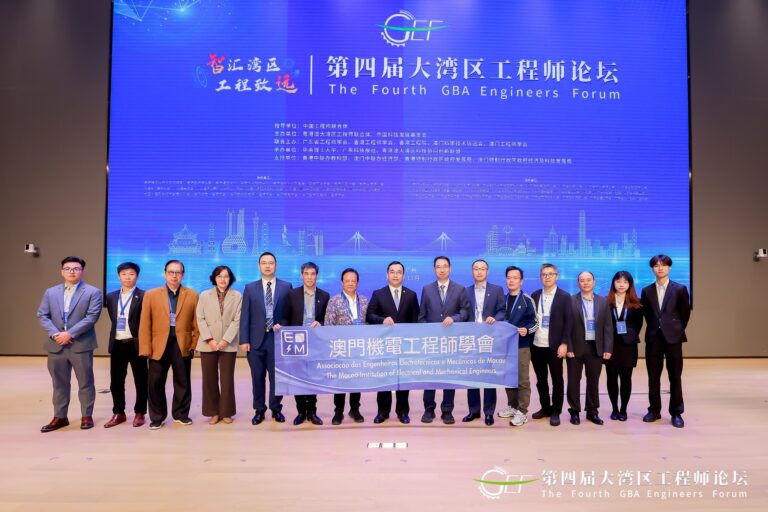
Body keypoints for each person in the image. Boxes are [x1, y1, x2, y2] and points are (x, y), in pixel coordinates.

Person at [37, 256, 102, 432]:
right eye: (68, 268)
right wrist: (55, 334)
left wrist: (70, 334)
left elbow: (91, 317)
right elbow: (43, 315)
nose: (71, 271)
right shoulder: (51, 292)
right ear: (62, 271)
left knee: (85, 382)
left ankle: (86, 416)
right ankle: (60, 417)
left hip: (80, 344)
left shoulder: (92, 292)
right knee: (59, 383)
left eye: (76, 268)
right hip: (56, 345)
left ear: (82, 271)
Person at [139, 260, 200, 430]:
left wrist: (194, 344)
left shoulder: (192, 295)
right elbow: (145, 323)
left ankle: (181, 414)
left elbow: (197, 323)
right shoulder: (151, 294)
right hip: (158, 345)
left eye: (178, 272)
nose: (174, 276)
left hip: (182, 345)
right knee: (155, 382)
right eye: (171, 272)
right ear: (164, 273)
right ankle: (157, 417)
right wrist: (145, 347)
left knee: (183, 381)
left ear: (183, 275)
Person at [240, 252, 292, 425]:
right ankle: (259, 409)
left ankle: (276, 409)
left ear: (276, 265)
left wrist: (283, 324)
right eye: (264, 263)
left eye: (271, 263)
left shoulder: (286, 287)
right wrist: (244, 340)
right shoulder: (250, 288)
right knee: (257, 377)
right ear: (259, 266)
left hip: (277, 340)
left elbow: (289, 314)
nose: (267, 266)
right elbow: (245, 315)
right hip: (256, 341)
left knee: (277, 378)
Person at [640, 254, 691, 428]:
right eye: (656, 265)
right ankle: (654, 410)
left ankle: (676, 412)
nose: (660, 268)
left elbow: (684, 314)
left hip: (673, 339)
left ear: (669, 267)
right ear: (652, 269)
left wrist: (674, 329)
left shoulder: (680, 289)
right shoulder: (646, 291)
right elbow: (647, 315)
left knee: (675, 376)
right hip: (653, 338)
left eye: (663, 265)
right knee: (653, 376)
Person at [418, 256, 470, 425]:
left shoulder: (460, 289)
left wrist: (454, 318)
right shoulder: (426, 289)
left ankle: (447, 411)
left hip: (451, 341)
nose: (442, 269)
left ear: (450, 269)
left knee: (449, 376)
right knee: (430, 376)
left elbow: (465, 312)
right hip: (431, 342)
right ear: (434, 269)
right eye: (438, 267)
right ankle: (429, 409)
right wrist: (426, 335)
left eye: (445, 266)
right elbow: (422, 316)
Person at [366, 261, 419, 424]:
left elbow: (415, 320)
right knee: (384, 379)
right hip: (384, 345)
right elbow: (369, 315)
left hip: (405, 345)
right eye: (392, 272)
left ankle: (403, 412)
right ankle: (383, 412)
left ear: (403, 275)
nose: (395, 275)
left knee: (403, 380)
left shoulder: (411, 295)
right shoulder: (378, 294)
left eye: (399, 272)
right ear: (387, 274)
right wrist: (382, 320)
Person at [280, 262, 329, 426]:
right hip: (297, 342)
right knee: (298, 378)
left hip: (315, 342)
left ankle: (312, 412)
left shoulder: (324, 295)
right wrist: (281, 327)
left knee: (312, 378)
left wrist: (321, 323)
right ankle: (301, 412)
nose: (309, 277)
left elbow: (327, 320)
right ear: (302, 275)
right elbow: (285, 317)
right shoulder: (292, 294)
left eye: (312, 274)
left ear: (317, 276)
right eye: (306, 274)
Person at [196, 265, 242, 425]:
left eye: (226, 276)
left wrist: (225, 340)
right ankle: (213, 412)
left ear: (230, 278)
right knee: (209, 379)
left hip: (227, 343)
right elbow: (200, 318)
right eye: (219, 276)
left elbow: (237, 320)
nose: (223, 279)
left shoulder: (237, 296)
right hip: (208, 343)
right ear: (214, 278)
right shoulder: (204, 295)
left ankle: (226, 412)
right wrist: (209, 339)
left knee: (227, 379)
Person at [566, 271, 613, 425]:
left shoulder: (603, 301)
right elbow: (566, 326)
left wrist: (608, 348)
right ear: (578, 283)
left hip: (595, 347)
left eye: (588, 280)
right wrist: (568, 346)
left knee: (593, 380)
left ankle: (592, 412)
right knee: (573, 381)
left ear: (594, 282)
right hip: (575, 347)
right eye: (582, 280)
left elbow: (608, 326)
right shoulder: (570, 300)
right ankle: (574, 411)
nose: (585, 283)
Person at [104, 262, 147, 428]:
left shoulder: (144, 296)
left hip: (136, 343)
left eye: (131, 274)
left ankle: (140, 412)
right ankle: (119, 412)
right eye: (124, 274)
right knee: (116, 381)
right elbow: (113, 319)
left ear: (137, 276)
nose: (127, 277)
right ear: (118, 276)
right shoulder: (111, 297)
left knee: (141, 380)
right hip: (117, 343)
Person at [463, 259, 506, 426]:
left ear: (487, 271)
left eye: (482, 269)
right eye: (476, 269)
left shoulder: (497, 290)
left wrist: (495, 318)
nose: (479, 272)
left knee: (489, 376)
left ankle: (489, 412)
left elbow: (502, 310)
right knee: (471, 376)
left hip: (489, 339)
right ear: (472, 271)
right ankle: (473, 411)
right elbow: (462, 312)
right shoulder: (465, 291)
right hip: (471, 340)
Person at [530, 263, 572, 427]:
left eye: (550, 274)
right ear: (540, 277)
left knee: (557, 380)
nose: (547, 277)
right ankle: (545, 408)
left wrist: (564, 343)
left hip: (555, 346)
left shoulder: (564, 296)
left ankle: (556, 411)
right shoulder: (535, 295)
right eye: (544, 274)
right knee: (541, 380)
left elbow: (569, 322)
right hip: (536, 344)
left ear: (556, 276)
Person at [325, 268, 369, 425]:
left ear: (357, 283)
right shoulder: (334, 301)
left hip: (358, 349)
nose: (350, 283)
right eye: (347, 280)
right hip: (341, 349)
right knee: (341, 381)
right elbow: (328, 325)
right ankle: (338, 412)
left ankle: (355, 410)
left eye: (353, 281)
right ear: (342, 282)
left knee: (356, 380)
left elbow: (369, 324)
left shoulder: (364, 301)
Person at [497, 266, 538, 427]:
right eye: (509, 277)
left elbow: (535, 322)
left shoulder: (527, 300)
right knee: (508, 379)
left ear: (521, 281)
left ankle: (522, 411)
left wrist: (526, 330)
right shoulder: (503, 299)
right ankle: (513, 406)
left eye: (515, 278)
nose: (511, 280)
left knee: (522, 380)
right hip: (505, 346)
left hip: (522, 346)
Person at [605, 270, 643, 421]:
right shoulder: (605, 302)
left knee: (626, 379)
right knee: (611, 378)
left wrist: (627, 334)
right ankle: (614, 408)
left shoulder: (637, 304)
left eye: (625, 282)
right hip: (611, 346)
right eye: (618, 281)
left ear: (630, 284)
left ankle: (623, 410)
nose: (621, 285)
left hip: (628, 347)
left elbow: (638, 326)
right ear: (613, 283)